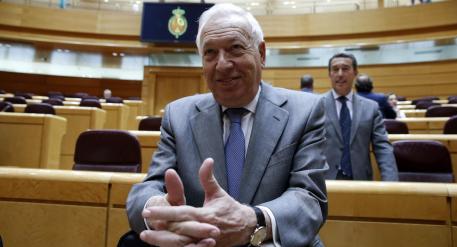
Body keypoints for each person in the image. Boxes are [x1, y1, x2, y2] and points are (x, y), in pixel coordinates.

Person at [126, 3, 328, 247]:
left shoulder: (305, 111)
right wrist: (158, 211)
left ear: (261, 54)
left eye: (235, 48)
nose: (222, 64)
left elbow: (309, 198)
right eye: (210, 53)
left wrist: (252, 220)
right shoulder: (178, 115)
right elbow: (149, 187)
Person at [320, 53, 398, 181]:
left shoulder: (371, 107)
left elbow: (382, 146)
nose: (340, 74)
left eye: (345, 69)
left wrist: (392, 182)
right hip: (324, 182)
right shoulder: (316, 105)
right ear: (329, 74)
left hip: (360, 179)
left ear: (355, 72)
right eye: (335, 69)